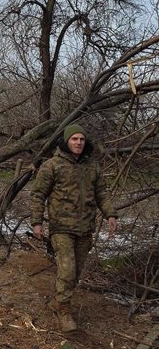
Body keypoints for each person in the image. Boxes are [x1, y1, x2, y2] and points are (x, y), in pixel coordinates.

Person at [30, 123, 118, 332]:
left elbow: (102, 193)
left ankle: (57, 301)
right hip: (61, 228)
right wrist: (37, 222)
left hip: (85, 228)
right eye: (74, 139)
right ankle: (64, 312)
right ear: (66, 141)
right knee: (67, 270)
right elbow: (38, 194)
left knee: (75, 271)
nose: (78, 142)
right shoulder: (52, 166)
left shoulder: (92, 166)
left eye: (81, 139)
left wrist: (110, 214)